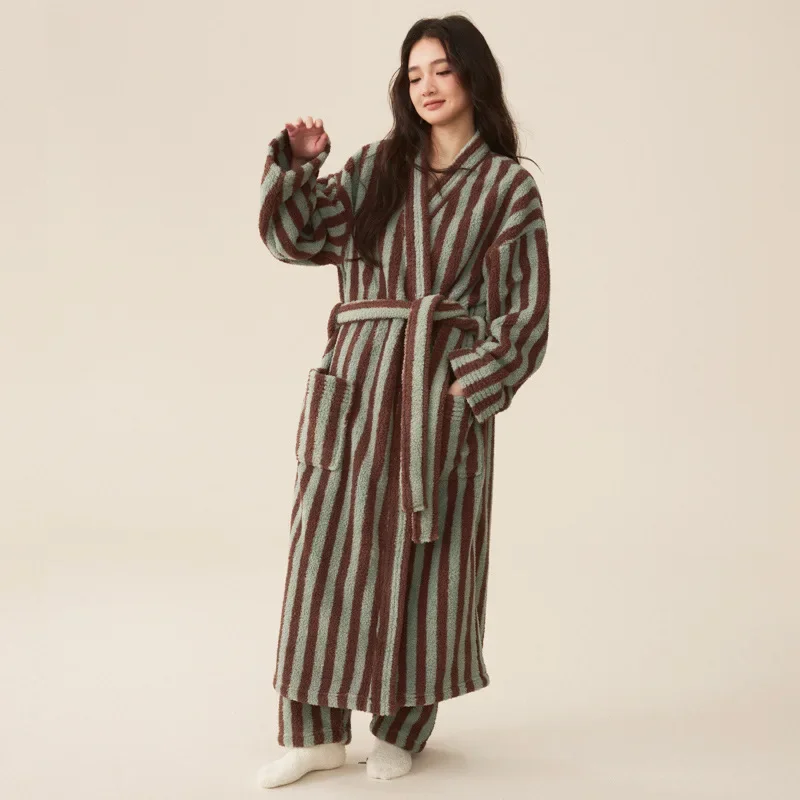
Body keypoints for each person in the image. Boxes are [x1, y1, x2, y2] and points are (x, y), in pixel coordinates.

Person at [256, 13, 550, 789]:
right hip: (354, 383)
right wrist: (299, 167)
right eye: (414, 73)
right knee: (322, 553)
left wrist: (463, 391)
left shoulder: (507, 188)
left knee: (429, 558)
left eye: (442, 69)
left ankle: (401, 728)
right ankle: (315, 734)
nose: (427, 85)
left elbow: (524, 318)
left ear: (473, 77)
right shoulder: (375, 167)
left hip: (433, 388)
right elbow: (294, 238)